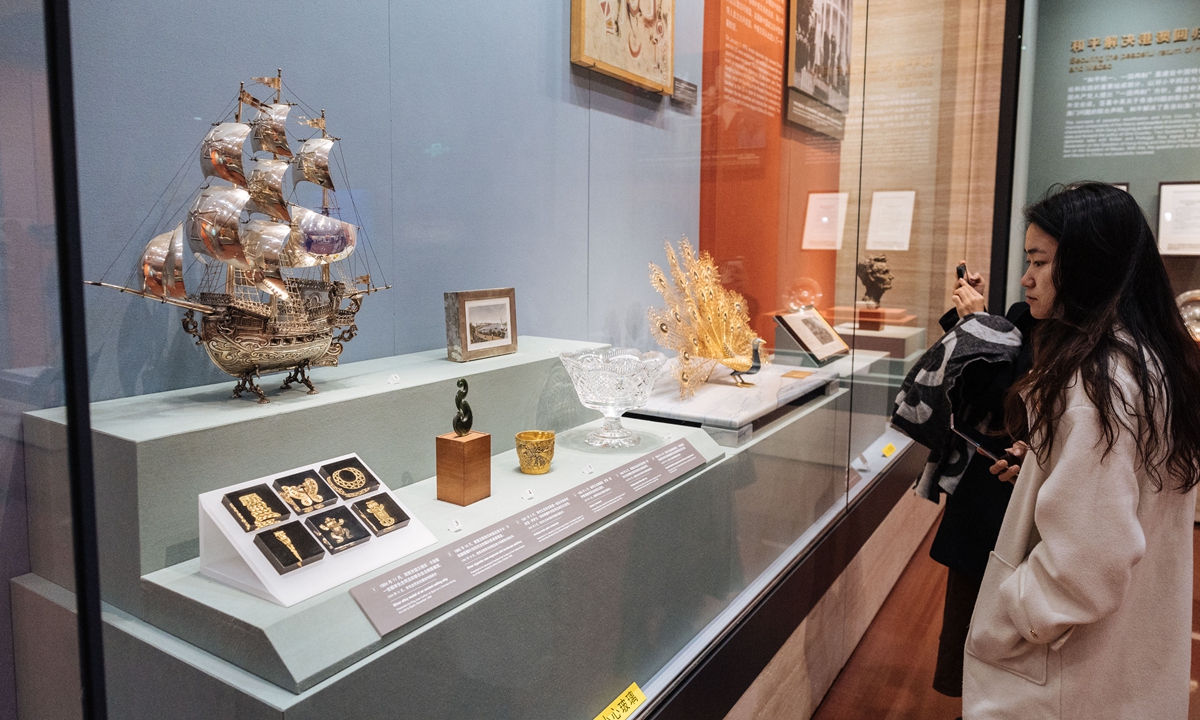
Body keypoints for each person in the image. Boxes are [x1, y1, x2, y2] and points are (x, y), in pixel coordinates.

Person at [963, 182, 1200, 719]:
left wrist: (1007, 616)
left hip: (1066, 678)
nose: (1026, 278)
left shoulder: (1097, 380)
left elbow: (1088, 562)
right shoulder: (1150, 360)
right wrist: (1045, 468)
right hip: (1121, 663)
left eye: (1040, 262)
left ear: (1090, 266)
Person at [925, 265, 1036, 701]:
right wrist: (980, 319)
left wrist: (977, 323)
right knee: (970, 608)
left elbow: (1003, 402)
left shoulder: (1081, 339)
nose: (1026, 278)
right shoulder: (1025, 316)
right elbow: (985, 381)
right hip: (993, 483)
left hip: (1016, 485)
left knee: (1008, 619)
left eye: (1040, 262)